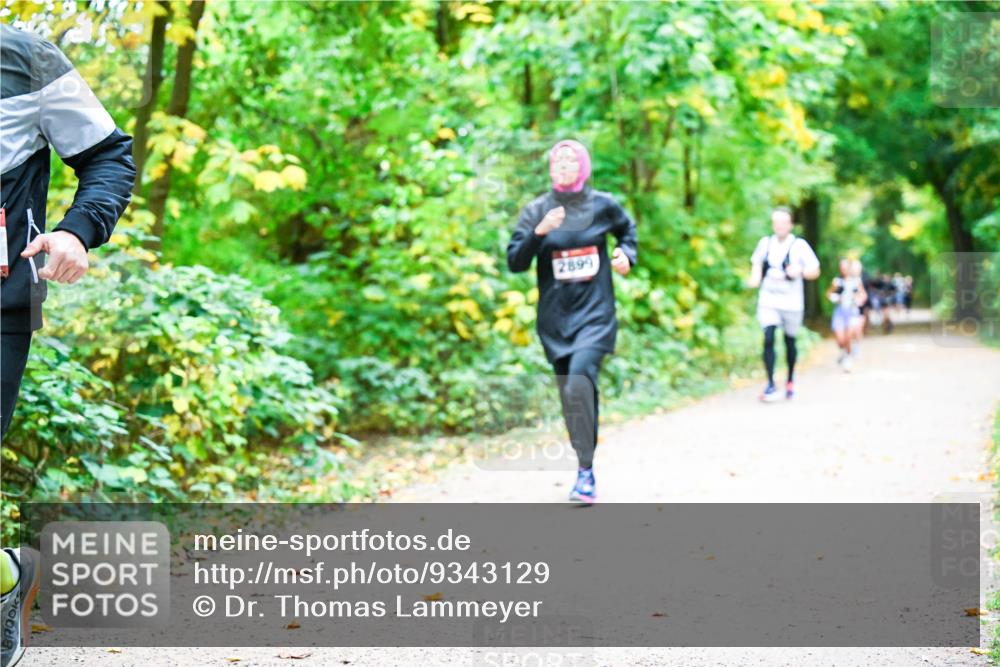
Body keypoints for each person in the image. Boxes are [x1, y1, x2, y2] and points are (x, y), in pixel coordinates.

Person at [1, 24, 136, 667]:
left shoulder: (25, 60)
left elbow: (109, 155)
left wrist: (77, 231)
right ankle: (9, 574)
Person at [506, 139, 637, 503]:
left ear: (583, 166)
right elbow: (515, 262)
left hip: (596, 315)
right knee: (571, 394)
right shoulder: (537, 211)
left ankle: (584, 474)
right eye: (557, 160)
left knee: (581, 378)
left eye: (571, 160)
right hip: (556, 321)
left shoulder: (603, 205)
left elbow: (628, 233)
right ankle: (585, 463)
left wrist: (626, 255)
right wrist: (540, 233)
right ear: (550, 167)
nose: (563, 165)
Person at [747, 206, 821, 401]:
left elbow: (814, 270)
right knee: (769, 337)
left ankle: (790, 380)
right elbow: (756, 265)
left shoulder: (799, 246)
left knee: (790, 341)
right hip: (769, 299)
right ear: (773, 224)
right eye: (776, 222)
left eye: (783, 222)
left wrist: (800, 271)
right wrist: (753, 280)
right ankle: (771, 383)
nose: (779, 226)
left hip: (792, 301)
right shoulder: (765, 243)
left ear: (790, 224)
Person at [827, 258, 867, 372]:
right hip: (840, 312)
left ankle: (848, 359)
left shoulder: (856, 281)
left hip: (852, 312)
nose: (844, 269)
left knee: (849, 337)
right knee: (840, 340)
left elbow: (863, 295)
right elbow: (829, 293)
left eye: (846, 267)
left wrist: (858, 300)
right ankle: (844, 352)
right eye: (842, 267)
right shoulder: (837, 281)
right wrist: (835, 298)